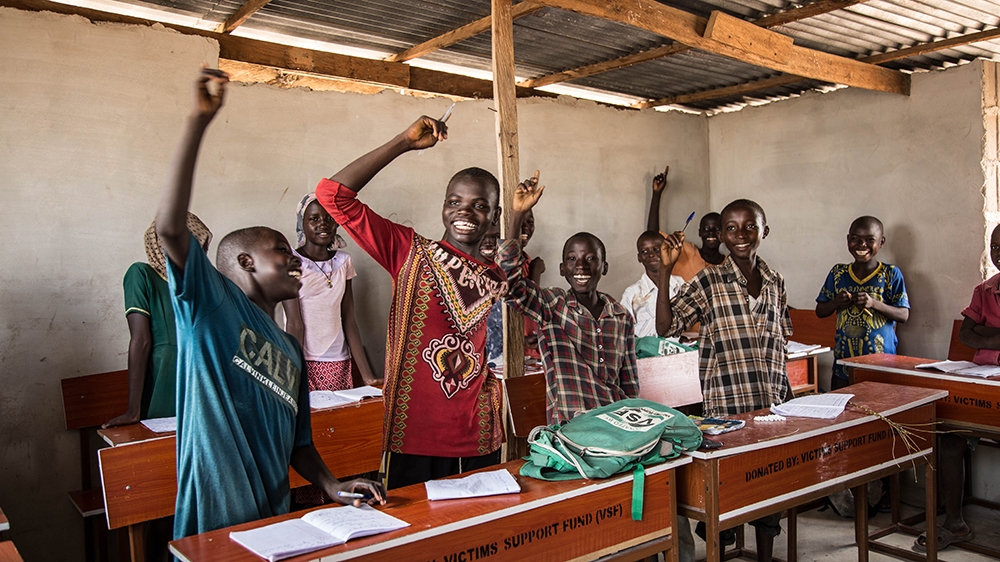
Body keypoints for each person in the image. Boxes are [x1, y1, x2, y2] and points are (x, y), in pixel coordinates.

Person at [160, 68, 384, 539]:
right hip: (215, 513)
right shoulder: (212, 307)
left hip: (271, 512)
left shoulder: (285, 345)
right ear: (244, 261)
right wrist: (197, 124)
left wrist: (332, 486)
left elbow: (298, 443)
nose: (295, 259)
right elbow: (171, 231)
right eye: (282, 250)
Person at [316, 116, 507, 490]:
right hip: (414, 433)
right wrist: (403, 142)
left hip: (479, 432)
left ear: (495, 217)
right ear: (443, 207)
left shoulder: (497, 276)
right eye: (455, 202)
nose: (465, 212)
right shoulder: (408, 251)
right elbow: (332, 195)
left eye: (480, 205)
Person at [656, 199, 792, 562]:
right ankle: (723, 550)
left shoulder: (776, 283)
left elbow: (782, 339)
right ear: (723, 235)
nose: (741, 235)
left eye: (750, 227)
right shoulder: (709, 280)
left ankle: (764, 555)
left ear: (765, 231)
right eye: (732, 228)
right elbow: (666, 326)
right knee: (728, 497)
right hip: (727, 408)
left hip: (770, 405)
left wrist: (786, 401)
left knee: (769, 491)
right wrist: (666, 273)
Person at [499, 172, 639, 424]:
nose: (581, 267)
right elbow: (508, 285)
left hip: (616, 423)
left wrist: (632, 425)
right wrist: (517, 216)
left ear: (604, 267)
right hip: (572, 426)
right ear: (563, 269)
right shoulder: (553, 306)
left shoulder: (621, 316)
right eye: (572, 259)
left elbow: (628, 383)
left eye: (590, 259)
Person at [914, 224, 1000, 551]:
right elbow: (966, 336)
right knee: (949, 438)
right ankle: (955, 522)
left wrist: (987, 335)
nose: (999, 252)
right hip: (982, 379)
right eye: (995, 246)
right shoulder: (985, 290)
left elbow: (977, 333)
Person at [104, 213, 212, 428]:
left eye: (199, 248)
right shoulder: (141, 274)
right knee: (163, 448)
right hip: (165, 375)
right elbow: (141, 340)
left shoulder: (199, 285)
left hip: (201, 374)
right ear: (162, 243)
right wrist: (133, 410)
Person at [282, 193, 379, 391]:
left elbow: (349, 319)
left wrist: (367, 376)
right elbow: (294, 323)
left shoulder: (343, 261)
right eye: (314, 218)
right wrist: (292, 372)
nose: (323, 224)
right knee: (310, 420)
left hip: (339, 361)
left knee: (338, 419)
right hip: (304, 359)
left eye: (329, 218)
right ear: (302, 223)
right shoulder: (291, 262)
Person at [815, 216, 909, 390]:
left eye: (869, 240)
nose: (861, 245)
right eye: (855, 239)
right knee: (842, 410)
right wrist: (837, 302)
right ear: (848, 240)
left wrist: (874, 303)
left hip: (881, 365)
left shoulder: (890, 274)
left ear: (881, 242)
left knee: (879, 408)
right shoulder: (838, 273)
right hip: (843, 365)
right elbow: (820, 310)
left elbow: (903, 314)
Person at [647, 164, 724, 282]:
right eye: (706, 229)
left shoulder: (729, 264)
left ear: (723, 233)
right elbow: (652, 237)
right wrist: (656, 194)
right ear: (700, 232)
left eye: (716, 229)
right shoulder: (684, 251)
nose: (711, 233)